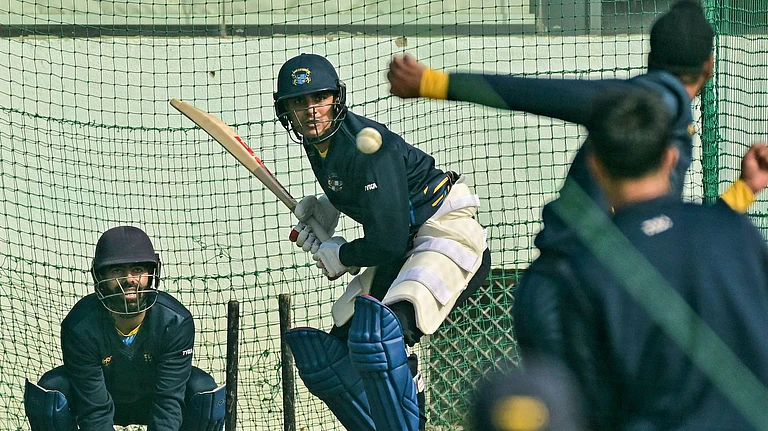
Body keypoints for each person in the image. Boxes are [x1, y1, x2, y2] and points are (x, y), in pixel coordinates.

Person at [386, 0, 766, 360]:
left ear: (651, 58)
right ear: (709, 67)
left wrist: (744, 189)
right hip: (574, 294)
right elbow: (538, 94)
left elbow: (681, 231)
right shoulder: (641, 104)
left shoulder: (663, 119)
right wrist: (432, 83)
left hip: (583, 292)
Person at [273, 53, 491, 431]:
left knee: (382, 337)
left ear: (336, 99)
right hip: (406, 241)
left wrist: (343, 254)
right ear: (286, 110)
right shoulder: (319, 144)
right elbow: (377, 206)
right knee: (337, 352)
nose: (311, 110)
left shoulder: (366, 146)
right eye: (299, 102)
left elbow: (387, 240)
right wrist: (328, 209)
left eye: (319, 98)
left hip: (445, 231)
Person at [554, 88, 768, 429]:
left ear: (595, 167)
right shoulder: (735, 231)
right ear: (671, 158)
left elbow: (590, 402)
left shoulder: (584, 269)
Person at [24, 226, 225, 431]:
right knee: (50, 392)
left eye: (137, 270)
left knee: (204, 392)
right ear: (100, 277)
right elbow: (93, 410)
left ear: (150, 273)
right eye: (117, 270)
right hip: (98, 397)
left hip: (153, 400)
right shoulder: (79, 326)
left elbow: (168, 402)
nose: (129, 279)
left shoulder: (175, 322)